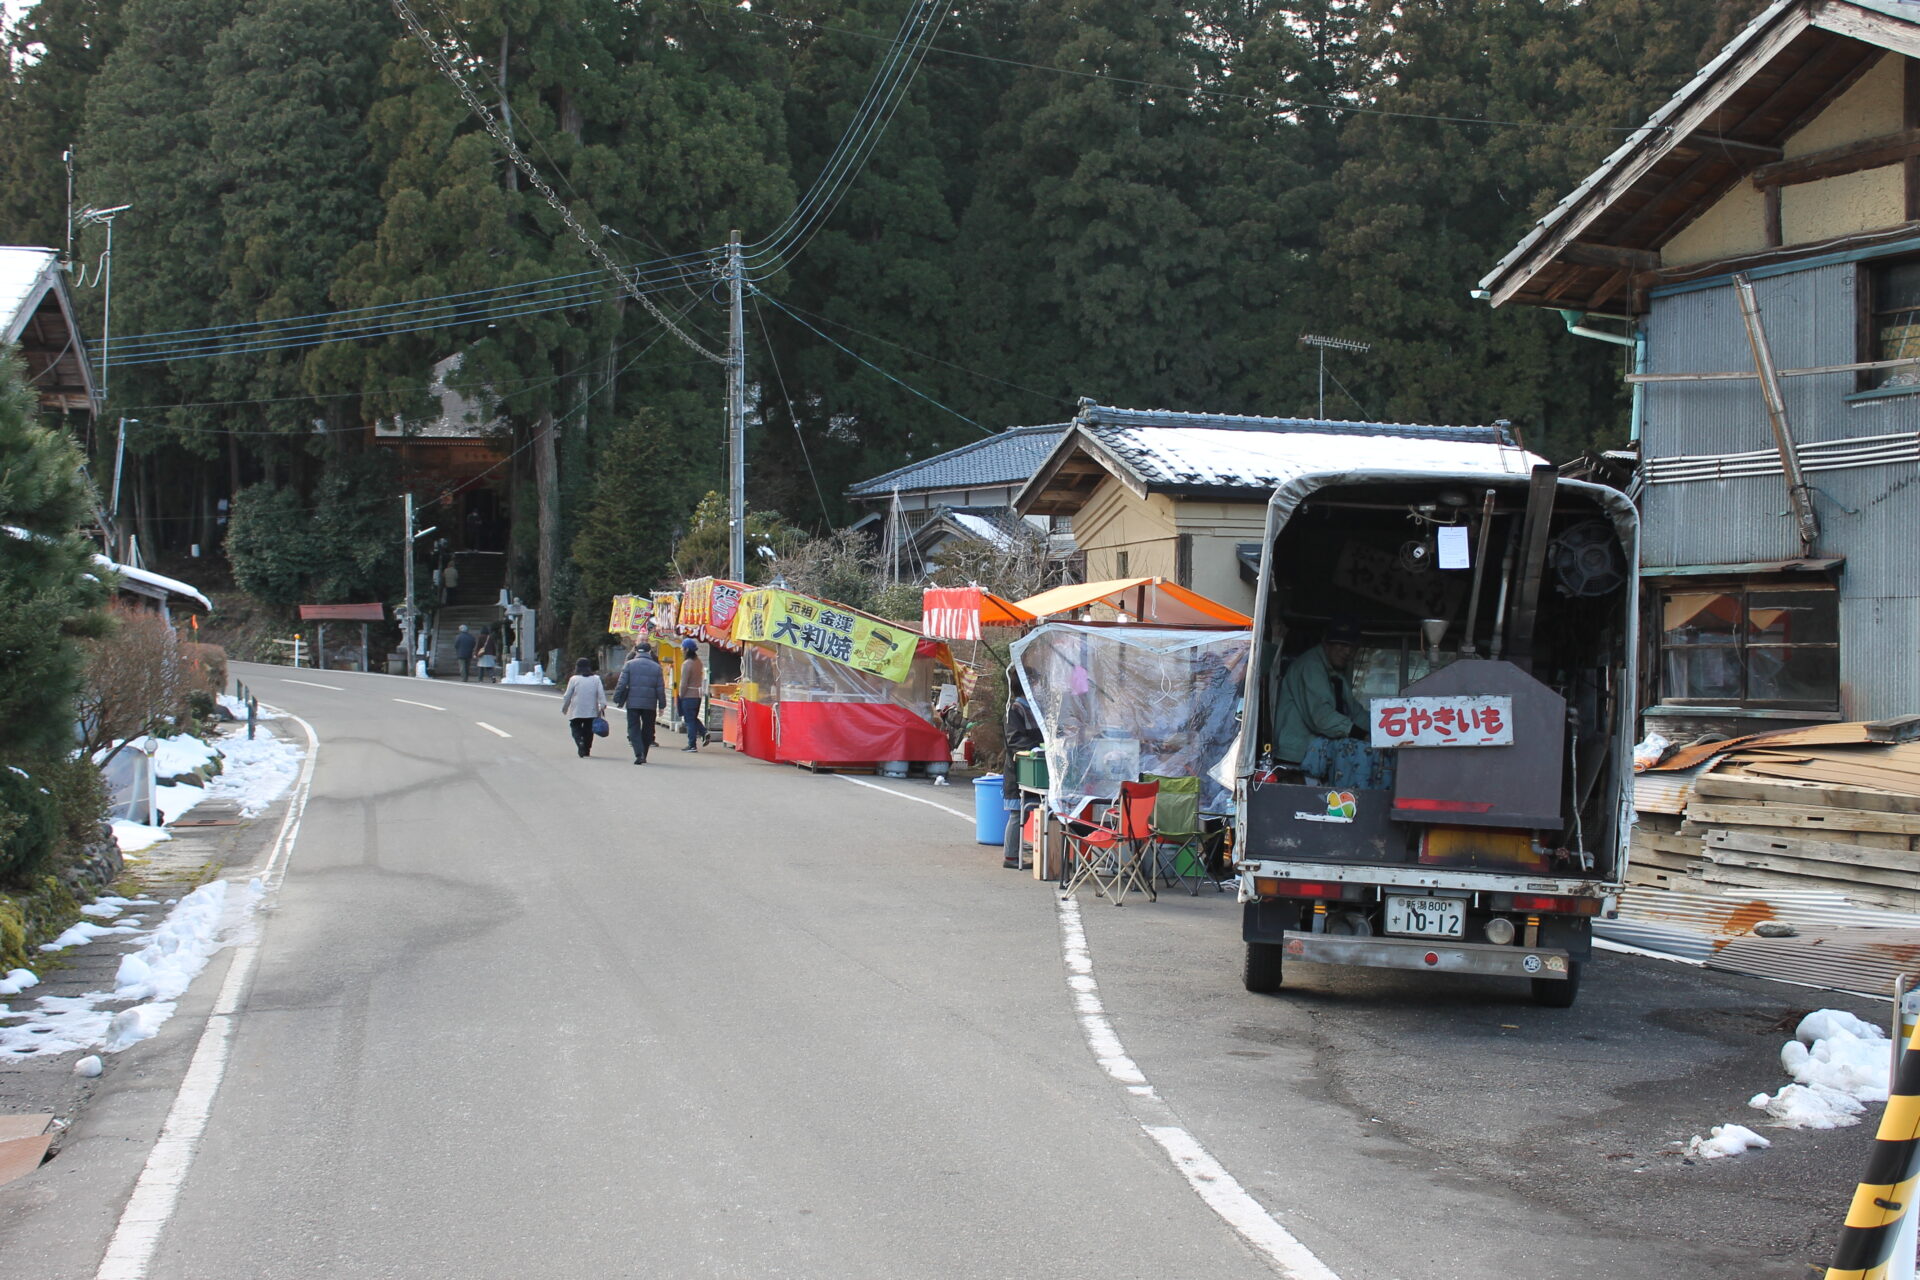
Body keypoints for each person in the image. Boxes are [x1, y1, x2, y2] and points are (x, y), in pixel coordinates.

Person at [1270, 620, 1391, 790]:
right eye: (1341, 645)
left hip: (1319, 759)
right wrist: (1360, 734)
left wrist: (1386, 730)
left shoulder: (1335, 674)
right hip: (1297, 759)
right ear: (1326, 644)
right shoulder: (1311, 666)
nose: (1347, 652)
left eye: (1352, 647)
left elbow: (1355, 712)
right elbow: (1322, 718)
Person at [1002, 689, 1044, 869]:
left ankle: (1041, 855)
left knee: (1028, 810)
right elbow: (1014, 740)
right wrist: (1036, 747)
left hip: (1035, 769)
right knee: (1018, 813)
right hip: (1019, 769)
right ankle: (1011, 857)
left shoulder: (1034, 709)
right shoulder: (1014, 710)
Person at [612, 643, 666, 765]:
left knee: (633, 728)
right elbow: (660, 688)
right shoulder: (656, 667)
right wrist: (662, 705)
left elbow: (621, 683)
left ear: (636, 652)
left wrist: (617, 698)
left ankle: (639, 753)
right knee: (648, 729)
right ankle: (644, 753)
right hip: (650, 703)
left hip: (633, 703)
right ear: (649, 652)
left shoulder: (629, 665)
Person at [560, 657, 608, 758]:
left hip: (577, 709)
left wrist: (565, 708)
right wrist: (602, 705)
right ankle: (586, 749)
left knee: (575, 727)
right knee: (589, 730)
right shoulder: (596, 679)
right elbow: (601, 693)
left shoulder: (574, 679)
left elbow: (567, 695)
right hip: (591, 710)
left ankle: (579, 741)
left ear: (577, 667)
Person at [676, 639, 710, 751]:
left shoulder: (687, 664)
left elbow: (683, 683)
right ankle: (704, 732)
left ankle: (692, 744)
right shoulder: (698, 662)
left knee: (689, 720)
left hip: (688, 695)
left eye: (682, 648)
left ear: (687, 649)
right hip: (697, 695)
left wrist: (681, 695)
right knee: (693, 718)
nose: (681, 650)